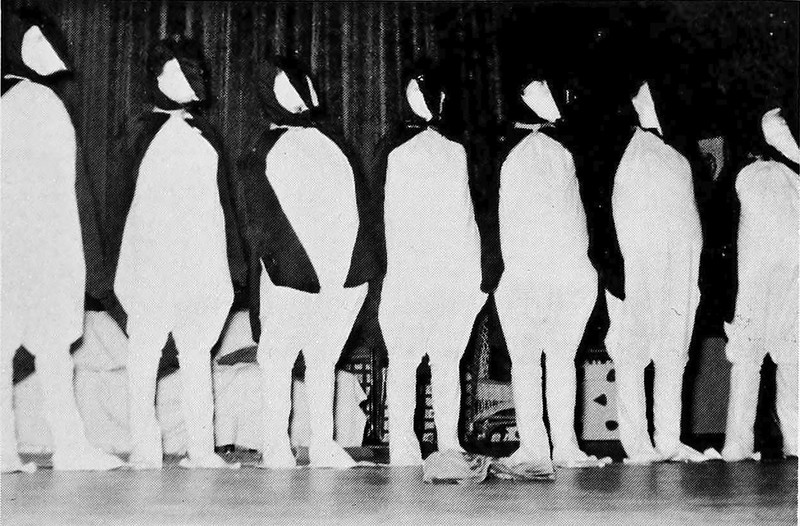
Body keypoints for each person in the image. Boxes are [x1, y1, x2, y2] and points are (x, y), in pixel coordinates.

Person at [238, 56, 381, 469]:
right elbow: (261, 217)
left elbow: (360, 206)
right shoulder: (262, 148)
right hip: (290, 275)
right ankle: (276, 443)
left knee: (324, 360)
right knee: (278, 358)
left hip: (339, 277)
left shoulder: (334, 144)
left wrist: (360, 269)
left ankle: (323, 442)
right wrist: (287, 269)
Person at [107, 35, 243, 470]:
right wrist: (113, 267)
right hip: (149, 264)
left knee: (197, 355)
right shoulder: (138, 132)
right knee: (143, 354)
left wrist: (231, 265)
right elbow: (118, 202)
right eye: (172, 72)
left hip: (198, 266)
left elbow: (223, 205)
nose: (183, 81)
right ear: (156, 78)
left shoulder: (207, 136)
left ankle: (201, 448)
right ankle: (144, 447)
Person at [1, 7, 123, 472]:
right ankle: (60, 446)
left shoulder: (34, 102)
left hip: (32, 250)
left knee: (40, 351)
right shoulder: (35, 102)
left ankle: (28, 448)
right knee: (43, 351)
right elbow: (68, 191)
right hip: (33, 251)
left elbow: (68, 189)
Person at [493, 74, 607, 468]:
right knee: (530, 361)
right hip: (524, 274)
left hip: (564, 272)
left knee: (559, 359)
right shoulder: (507, 148)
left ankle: (564, 445)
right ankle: (535, 446)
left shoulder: (569, 146)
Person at [376, 63, 486, 466]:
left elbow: (470, 214)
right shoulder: (392, 150)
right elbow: (377, 215)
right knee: (404, 362)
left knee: (447, 362)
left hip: (451, 278)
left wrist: (475, 278)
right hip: (406, 277)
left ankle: (449, 444)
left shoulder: (459, 151)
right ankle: (404, 447)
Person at [602, 80, 709, 463]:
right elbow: (603, 211)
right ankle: (637, 443)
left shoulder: (680, 155)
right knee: (632, 350)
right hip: (636, 267)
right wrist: (612, 268)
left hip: (678, 267)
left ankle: (669, 440)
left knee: (672, 350)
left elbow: (692, 212)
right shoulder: (622, 149)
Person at [721, 106, 799, 462]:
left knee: (766, 359)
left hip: (769, 278)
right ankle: (782, 440)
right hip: (764, 278)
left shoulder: (757, 175)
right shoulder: (751, 175)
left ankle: (745, 443)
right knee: (774, 358)